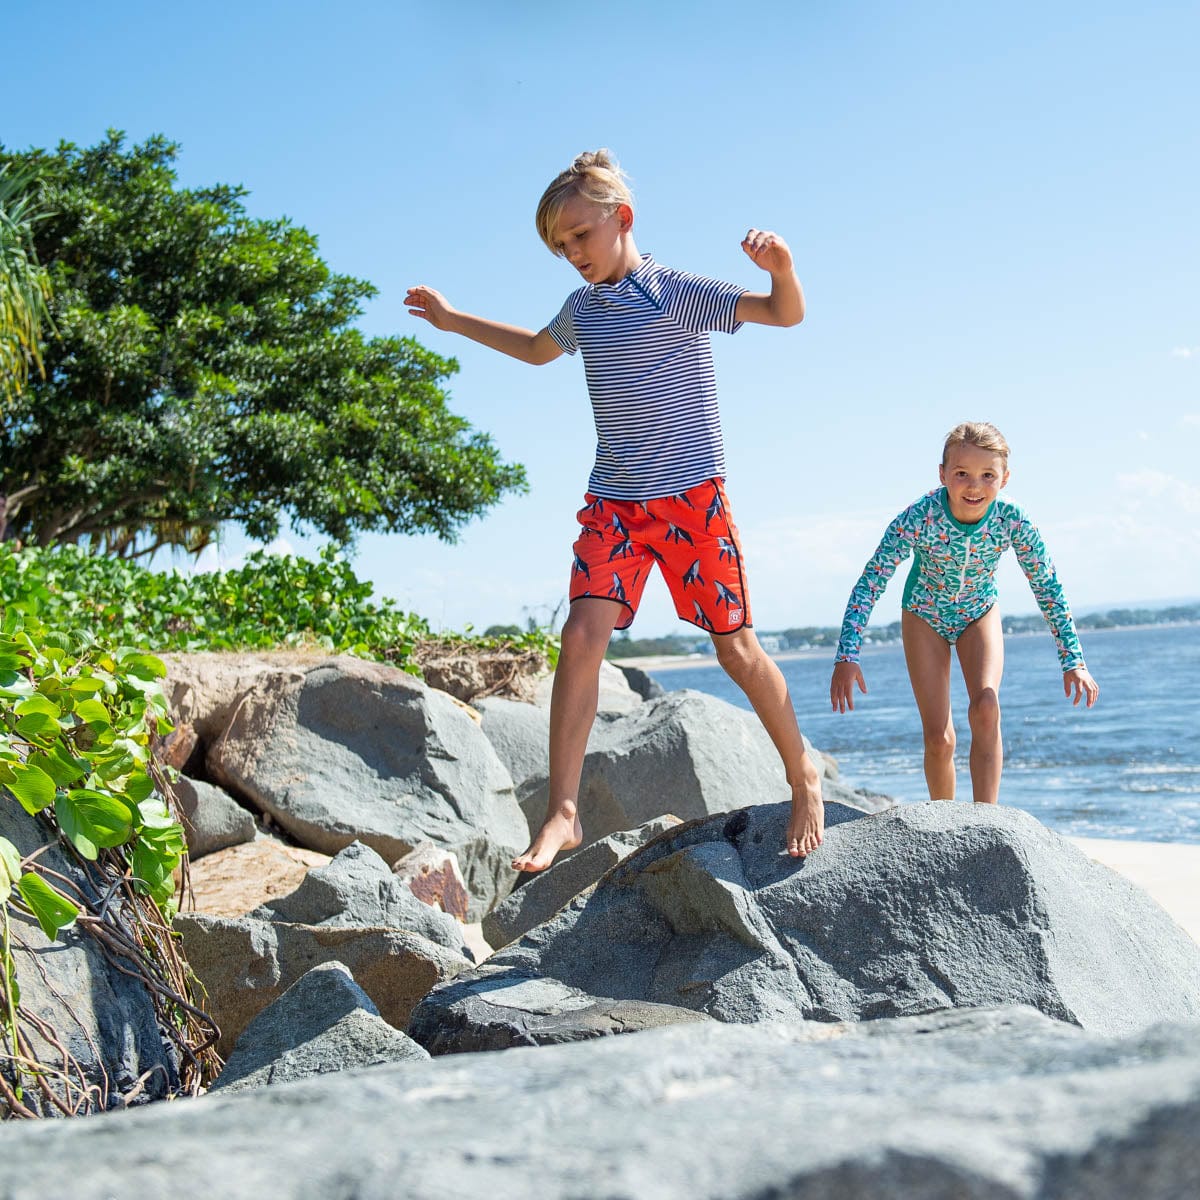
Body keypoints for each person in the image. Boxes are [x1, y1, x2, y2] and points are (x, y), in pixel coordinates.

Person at [406, 149, 824, 870]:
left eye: (579, 237)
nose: (571, 254)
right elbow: (538, 351)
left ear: (621, 218)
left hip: (692, 499)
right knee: (581, 636)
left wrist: (781, 269)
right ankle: (562, 812)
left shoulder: (676, 293)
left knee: (736, 650)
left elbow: (783, 315)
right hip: (616, 504)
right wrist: (452, 321)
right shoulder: (582, 310)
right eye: (560, 246)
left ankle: (803, 776)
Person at [829, 421, 1099, 806]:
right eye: (962, 474)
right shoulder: (919, 516)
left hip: (978, 613)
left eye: (988, 475)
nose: (974, 486)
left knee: (986, 708)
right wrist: (847, 655)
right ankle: (947, 824)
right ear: (942, 475)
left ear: (1005, 478)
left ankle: (985, 824)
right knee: (940, 737)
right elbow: (872, 580)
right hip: (924, 614)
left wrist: (1073, 660)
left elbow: (1047, 586)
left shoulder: (1013, 520)